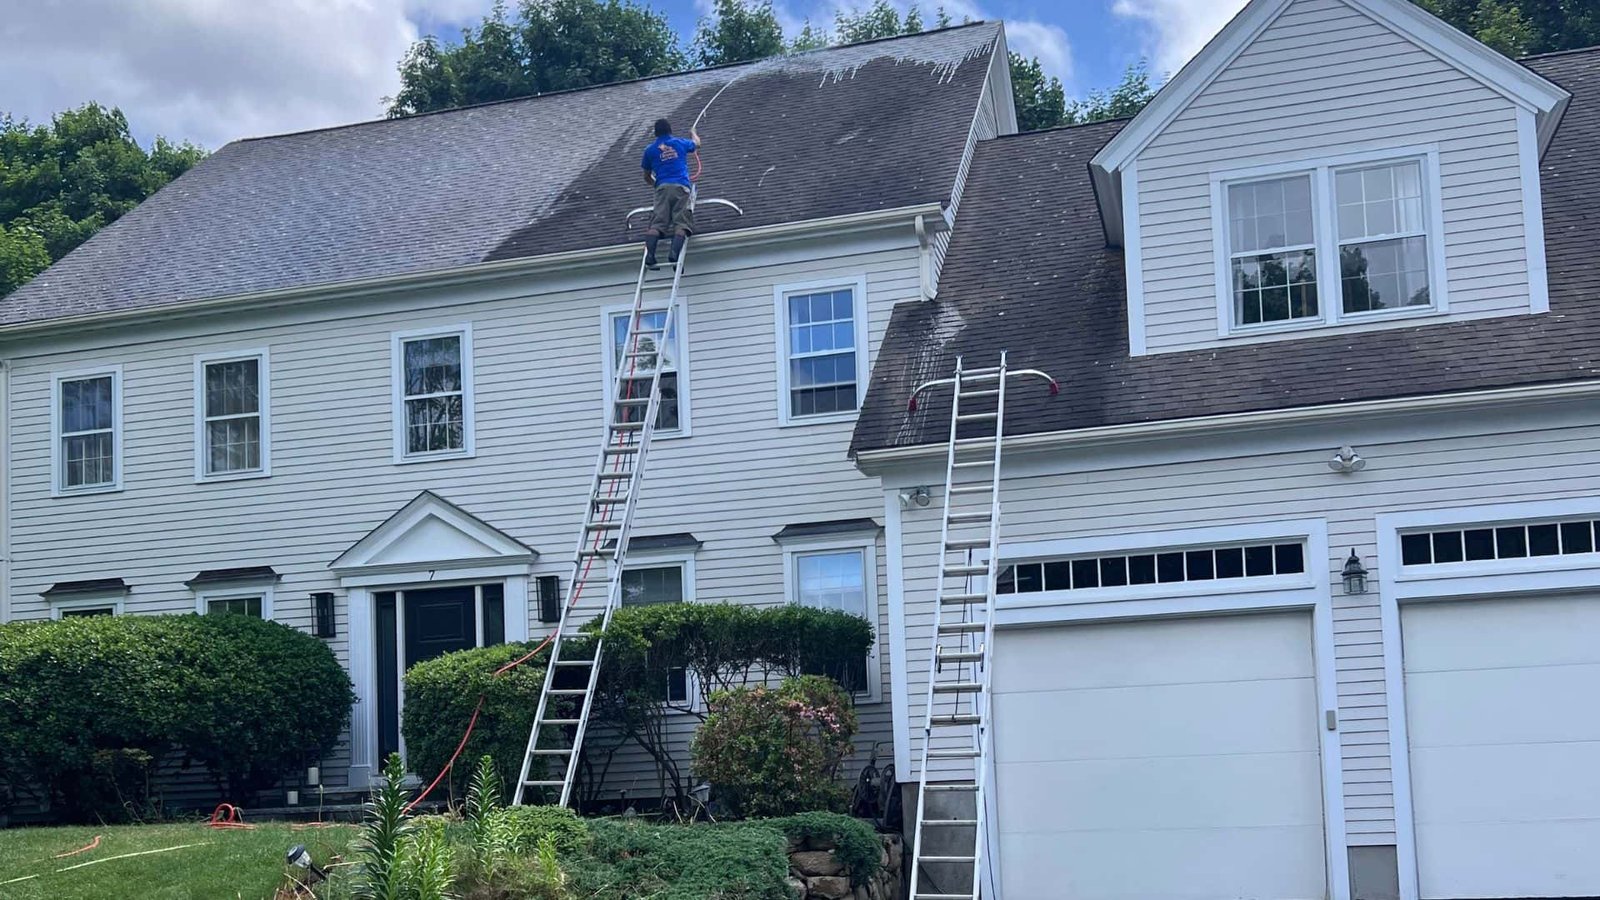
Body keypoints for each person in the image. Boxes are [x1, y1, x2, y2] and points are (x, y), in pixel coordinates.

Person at [640, 118, 700, 270]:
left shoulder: (650, 150)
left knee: (658, 223)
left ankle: (650, 256)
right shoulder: (679, 143)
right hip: (681, 187)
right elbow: (697, 144)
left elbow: (646, 176)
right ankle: (674, 253)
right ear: (670, 130)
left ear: (655, 133)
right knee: (681, 222)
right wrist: (693, 132)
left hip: (662, 188)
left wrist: (658, 185)